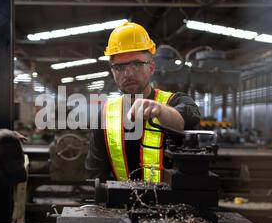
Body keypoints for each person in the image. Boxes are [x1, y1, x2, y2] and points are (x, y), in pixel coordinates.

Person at [85, 22, 200, 183]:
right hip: (122, 206)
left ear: (151, 68)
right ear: (112, 71)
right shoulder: (105, 115)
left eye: (137, 64)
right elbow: (96, 174)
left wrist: (160, 110)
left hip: (172, 205)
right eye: (119, 67)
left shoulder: (175, 101)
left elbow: (189, 118)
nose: (129, 73)